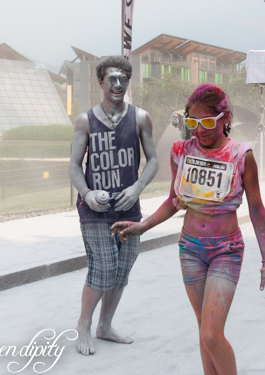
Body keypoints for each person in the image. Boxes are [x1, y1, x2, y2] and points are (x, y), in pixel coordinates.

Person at [112, 84, 265, 375]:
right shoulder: (181, 151)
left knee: (212, 334)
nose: (200, 129)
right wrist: (143, 226)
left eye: (208, 122)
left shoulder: (241, 155)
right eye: (193, 122)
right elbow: (174, 201)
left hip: (226, 250)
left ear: (225, 118)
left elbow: (256, 210)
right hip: (190, 250)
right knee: (204, 329)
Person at [69, 55, 159, 356]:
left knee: (122, 271)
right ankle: (83, 325)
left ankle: (105, 326)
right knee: (104, 268)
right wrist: (86, 193)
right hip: (95, 211)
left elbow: (153, 160)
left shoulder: (141, 118)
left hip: (129, 209)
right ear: (101, 82)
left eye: (123, 79)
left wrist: (137, 187)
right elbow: (74, 164)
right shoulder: (85, 120)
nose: (118, 85)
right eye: (112, 79)